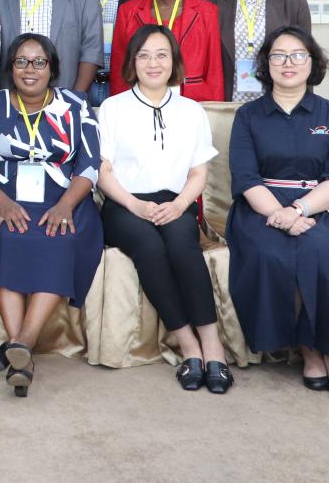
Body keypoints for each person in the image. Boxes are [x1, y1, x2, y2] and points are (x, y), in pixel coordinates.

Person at [95, 25, 231, 394]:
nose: (153, 63)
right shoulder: (113, 108)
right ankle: (189, 346)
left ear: (174, 62)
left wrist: (180, 204)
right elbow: (103, 171)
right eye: (144, 55)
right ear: (132, 62)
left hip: (175, 202)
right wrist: (134, 204)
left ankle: (212, 345)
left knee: (183, 245)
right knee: (149, 247)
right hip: (124, 204)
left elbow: (198, 172)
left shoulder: (191, 110)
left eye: (161, 55)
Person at [226, 26, 329, 396]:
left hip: (319, 205)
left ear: (312, 62)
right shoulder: (249, 116)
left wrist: (299, 209)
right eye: (279, 55)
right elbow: (246, 177)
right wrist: (280, 215)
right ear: (265, 64)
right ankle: (308, 350)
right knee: (270, 252)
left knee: (321, 249)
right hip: (261, 208)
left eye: (298, 55)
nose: (289, 63)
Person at [0, 34, 102, 397]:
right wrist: (0, 202)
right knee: (4, 235)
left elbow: (90, 163)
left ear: (52, 68)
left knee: (60, 236)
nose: (30, 69)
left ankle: (20, 344)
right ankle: (22, 355)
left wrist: (66, 205)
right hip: (4, 196)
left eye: (39, 62)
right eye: (21, 61)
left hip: (63, 198)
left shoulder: (75, 104)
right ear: (10, 67)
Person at [109, 0, 223, 102]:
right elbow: (120, 69)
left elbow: (214, 70)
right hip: (141, 102)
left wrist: (214, 110)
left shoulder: (207, 11)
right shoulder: (128, 11)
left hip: (194, 103)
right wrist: (120, 107)